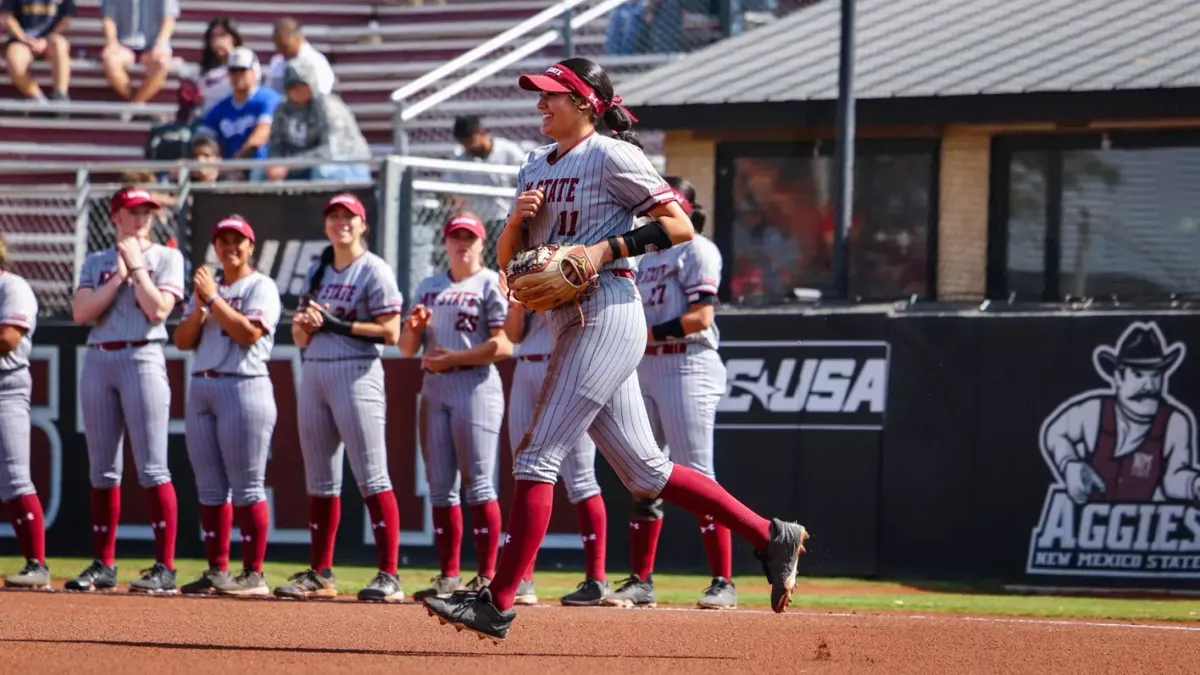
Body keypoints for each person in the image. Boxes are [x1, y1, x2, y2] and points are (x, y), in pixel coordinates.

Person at [423, 57, 808, 641]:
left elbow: (677, 225)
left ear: (584, 102)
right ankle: (771, 535)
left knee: (535, 457)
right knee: (646, 471)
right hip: (565, 318)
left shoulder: (611, 153)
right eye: (540, 95)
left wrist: (604, 250)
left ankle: (497, 602)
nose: (539, 104)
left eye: (551, 95)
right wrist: (514, 226)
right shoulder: (532, 166)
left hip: (607, 307)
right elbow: (511, 265)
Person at [601, 176, 735, 610]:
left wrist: (644, 333)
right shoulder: (644, 255)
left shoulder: (697, 247)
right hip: (648, 364)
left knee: (698, 471)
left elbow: (700, 317)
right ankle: (641, 581)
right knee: (643, 475)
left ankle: (723, 581)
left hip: (687, 362)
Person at [274, 193, 405, 603]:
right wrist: (310, 325)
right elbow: (297, 335)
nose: (340, 223)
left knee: (372, 475)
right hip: (314, 369)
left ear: (362, 224)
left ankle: (389, 574)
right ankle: (321, 571)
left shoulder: (373, 269)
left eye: (348, 217)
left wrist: (338, 324)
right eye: (333, 216)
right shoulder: (317, 270)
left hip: (356, 371)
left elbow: (393, 331)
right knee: (320, 479)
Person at [68, 186, 185, 594]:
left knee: (153, 466)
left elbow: (158, 310)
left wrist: (136, 270)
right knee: (102, 470)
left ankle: (165, 567)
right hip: (100, 356)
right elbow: (81, 312)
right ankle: (104, 563)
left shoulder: (167, 257)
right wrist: (119, 274)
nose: (142, 218)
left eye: (147, 211)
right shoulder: (98, 261)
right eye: (134, 211)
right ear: (115, 215)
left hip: (142, 355)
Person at [400, 213, 511, 601]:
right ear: (445, 243)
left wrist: (454, 359)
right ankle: (448, 573)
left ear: (482, 243)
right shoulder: (429, 286)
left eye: (470, 236)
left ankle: (486, 574)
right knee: (440, 486)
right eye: (455, 237)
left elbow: (504, 344)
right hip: (435, 385)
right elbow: (405, 348)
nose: (462, 243)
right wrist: (413, 329)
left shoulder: (490, 283)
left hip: (475, 384)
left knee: (478, 483)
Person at [172, 215, 281, 597]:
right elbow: (183, 341)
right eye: (223, 241)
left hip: (243, 384)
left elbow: (248, 333)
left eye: (239, 240)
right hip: (203, 385)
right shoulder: (209, 290)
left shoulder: (260, 285)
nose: (230, 247)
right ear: (215, 247)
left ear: (251, 246)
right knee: (210, 487)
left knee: (248, 486)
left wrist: (213, 299)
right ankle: (217, 569)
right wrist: (201, 307)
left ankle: (253, 572)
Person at [503, 302, 609, 607]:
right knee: (523, 470)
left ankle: (597, 578)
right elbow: (512, 334)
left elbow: (580, 309)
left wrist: (536, 293)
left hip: (568, 365)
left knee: (581, 478)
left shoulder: (580, 255)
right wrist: (515, 305)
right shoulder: (522, 259)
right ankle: (523, 579)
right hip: (526, 365)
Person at [0, 235, 49, 589]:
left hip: (6, 385)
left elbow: (8, 338)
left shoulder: (12, 286)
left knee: (15, 478)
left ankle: (37, 565)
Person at [260, 61, 372, 182]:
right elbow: (276, 144)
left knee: (322, 172)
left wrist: (289, 164)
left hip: (346, 163)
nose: (297, 90)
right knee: (260, 173)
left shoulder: (329, 108)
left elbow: (329, 151)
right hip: (301, 166)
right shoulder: (282, 110)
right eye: (292, 85)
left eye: (301, 84)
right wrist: (276, 165)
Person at [198, 47, 281, 162]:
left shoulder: (269, 99)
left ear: (254, 71)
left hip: (261, 167)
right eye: (233, 71)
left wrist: (237, 162)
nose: (237, 76)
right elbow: (204, 138)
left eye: (242, 70)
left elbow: (262, 134)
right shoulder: (220, 108)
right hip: (229, 170)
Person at [99, 0, 177, 106]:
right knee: (109, 60)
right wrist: (112, 42)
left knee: (162, 63)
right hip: (124, 44)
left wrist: (160, 44)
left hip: (153, 44)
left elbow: (169, 18)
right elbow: (108, 17)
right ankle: (136, 102)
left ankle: (134, 104)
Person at [2, 0, 74, 106]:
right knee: (14, 60)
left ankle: (60, 96)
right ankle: (40, 100)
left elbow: (67, 20)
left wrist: (46, 39)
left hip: (50, 39)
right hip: (22, 40)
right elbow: (7, 17)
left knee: (60, 44)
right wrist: (24, 39)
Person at [265, 18, 334, 96]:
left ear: (299, 38)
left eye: (284, 46)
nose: (279, 50)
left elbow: (321, 95)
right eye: (277, 45)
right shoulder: (277, 62)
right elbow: (270, 93)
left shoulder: (315, 62)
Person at [195, 16, 243, 118]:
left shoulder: (244, 64)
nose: (218, 41)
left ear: (234, 38)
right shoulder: (206, 69)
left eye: (222, 35)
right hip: (208, 119)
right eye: (213, 36)